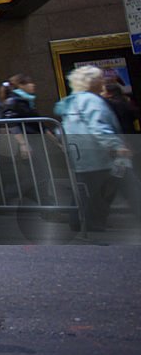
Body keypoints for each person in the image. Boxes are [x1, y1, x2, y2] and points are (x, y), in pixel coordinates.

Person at [55, 65, 132, 231]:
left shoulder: (72, 100)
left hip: (81, 155)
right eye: (100, 78)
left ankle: (81, 222)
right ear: (92, 82)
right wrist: (116, 146)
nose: (103, 81)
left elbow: (61, 128)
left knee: (86, 189)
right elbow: (98, 126)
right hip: (98, 154)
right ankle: (89, 222)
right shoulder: (91, 100)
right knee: (125, 186)